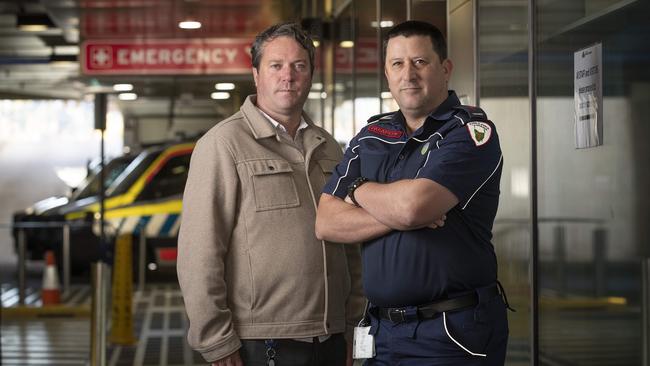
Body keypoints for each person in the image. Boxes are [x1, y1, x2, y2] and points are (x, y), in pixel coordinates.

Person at [315, 20, 510, 365]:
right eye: (397, 64)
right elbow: (327, 222)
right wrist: (401, 213)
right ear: (387, 74)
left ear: (445, 69)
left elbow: (411, 208)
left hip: (451, 333)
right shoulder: (370, 136)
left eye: (420, 62)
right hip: (382, 333)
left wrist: (357, 190)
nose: (408, 74)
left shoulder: (470, 131)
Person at [177, 22, 364, 366]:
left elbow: (351, 244)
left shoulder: (330, 148)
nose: (288, 76)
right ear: (256, 74)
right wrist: (216, 340)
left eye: (299, 66)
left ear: (311, 74)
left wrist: (354, 323)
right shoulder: (223, 145)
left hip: (332, 337)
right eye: (276, 65)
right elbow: (198, 251)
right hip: (263, 341)